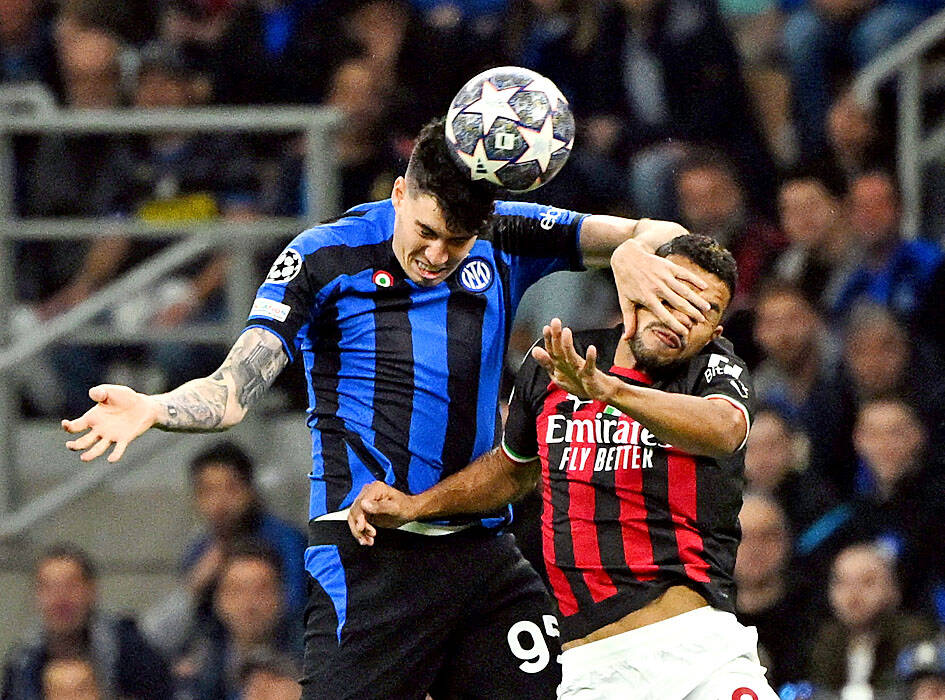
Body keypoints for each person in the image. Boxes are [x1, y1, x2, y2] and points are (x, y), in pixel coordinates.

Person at [62, 116, 712, 699]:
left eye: (456, 241)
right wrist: (154, 407)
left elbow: (669, 235)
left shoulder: (505, 233)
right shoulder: (322, 258)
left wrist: (633, 250)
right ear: (400, 193)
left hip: (483, 550)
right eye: (426, 232)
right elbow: (231, 393)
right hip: (368, 557)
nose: (437, 256)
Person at [348, 234, 778, 698]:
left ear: (715, 332)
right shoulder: (559, 362)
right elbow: (513, 469)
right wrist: (416, 505)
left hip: (697, 653)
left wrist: (610, 391)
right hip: (589, 672)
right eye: (674, 294)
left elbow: (724, 428)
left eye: (704, 310)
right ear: (641, 287)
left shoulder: (714, 370)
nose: (683, 316)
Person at [0, 544, 171, 700]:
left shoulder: (128, 648)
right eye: (49, 588)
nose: (60, 599)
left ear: (91, 590)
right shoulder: (22, 664)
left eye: (70, 586)